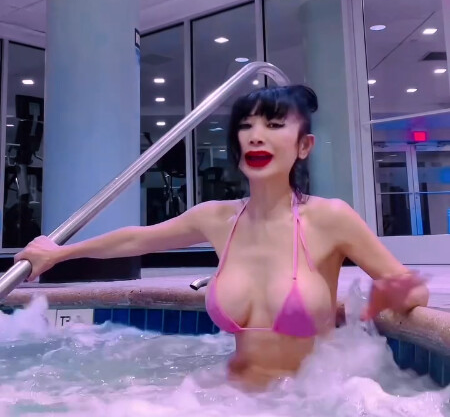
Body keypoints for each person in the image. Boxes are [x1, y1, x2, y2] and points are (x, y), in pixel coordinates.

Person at [16, 85, 429, 390]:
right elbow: (137, 240)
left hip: (309, 404)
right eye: (246, 126)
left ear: (304, 146)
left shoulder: (329, 218)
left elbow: (411, 289)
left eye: (273, 125)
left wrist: (381, 301)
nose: (255, 135)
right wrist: (60, 253)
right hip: (227, 401)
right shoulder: (218, 218)